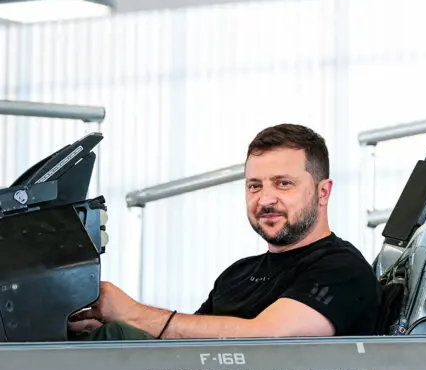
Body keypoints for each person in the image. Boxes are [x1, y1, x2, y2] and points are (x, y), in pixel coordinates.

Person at [69, 124, 380, 340]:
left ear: (323, 192)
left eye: (284, 183)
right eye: (254, 186)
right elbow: (183, 340)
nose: (266, 198)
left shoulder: (342, 270)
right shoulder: (238, 274)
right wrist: (106, 322)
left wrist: (134, 314)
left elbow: (267, 337)